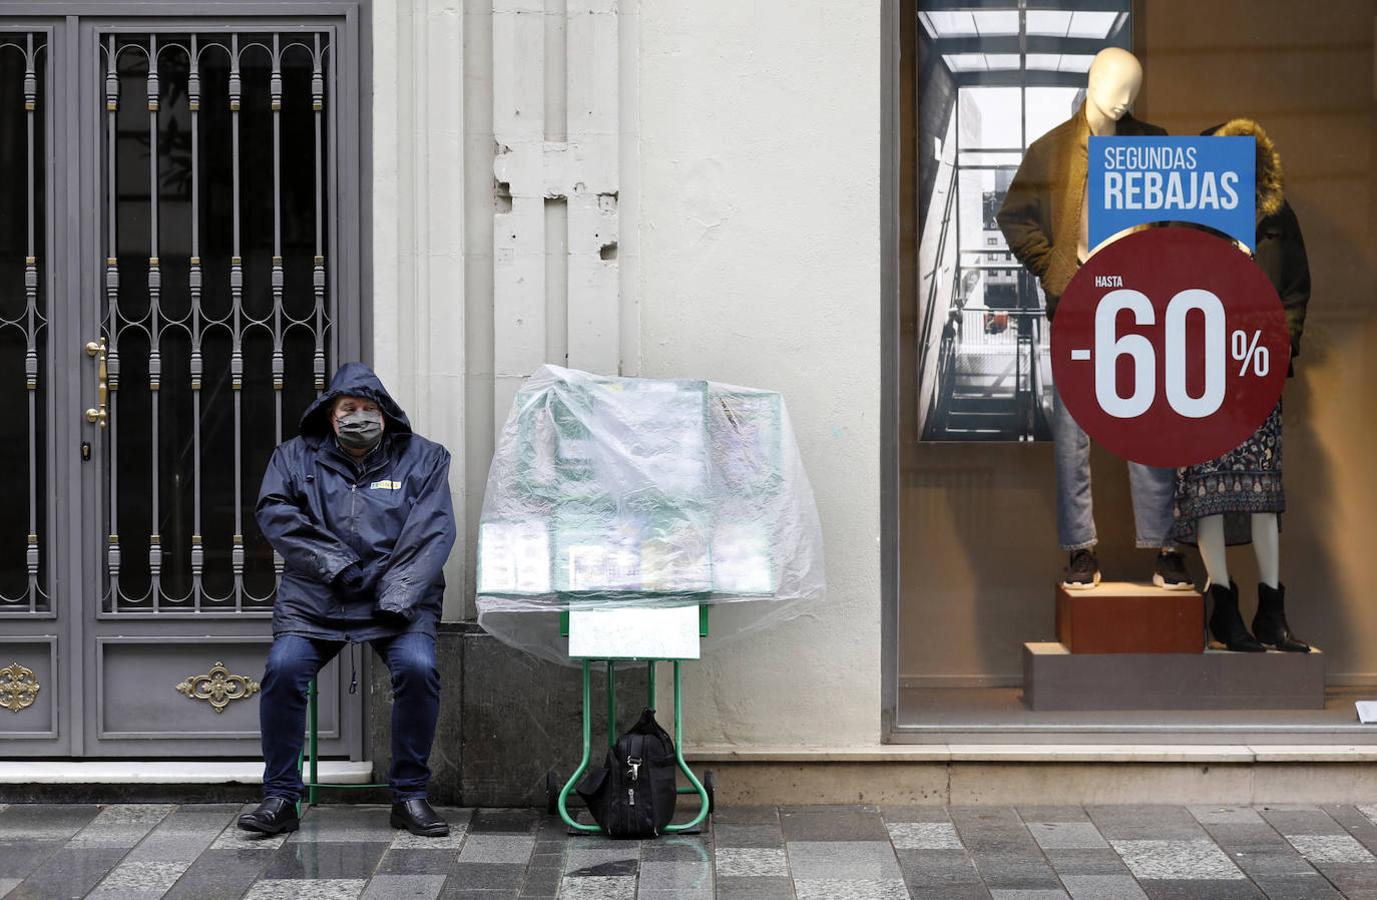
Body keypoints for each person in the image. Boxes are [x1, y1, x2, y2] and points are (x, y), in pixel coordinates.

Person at [996, 47, 1192, 591]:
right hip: (1079, 308)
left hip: (1141, 308)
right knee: (1072, 434)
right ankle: (1080, 550)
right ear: (1093, 79)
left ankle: (1166, 549)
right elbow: (1014, 218)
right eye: (1115, 83)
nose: (1125, 97)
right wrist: (1057, 273)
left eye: (1134, 86)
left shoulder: (1153, 144)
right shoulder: (1052, 149)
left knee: (1150, 428)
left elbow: (1181, 217)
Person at [237, 362, 457, 837]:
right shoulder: (293, 457)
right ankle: (280, 798)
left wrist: (395, 593)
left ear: (385, 412)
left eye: (368, 408)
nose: (359, 417)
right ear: (329, 414)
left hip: (397, 601)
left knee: (418, 670)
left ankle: (410, 797)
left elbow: (432, 531)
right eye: (348, 409)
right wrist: (336, 565)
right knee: (284, 670)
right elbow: (276, 514)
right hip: (316, 598)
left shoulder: (426, 458)